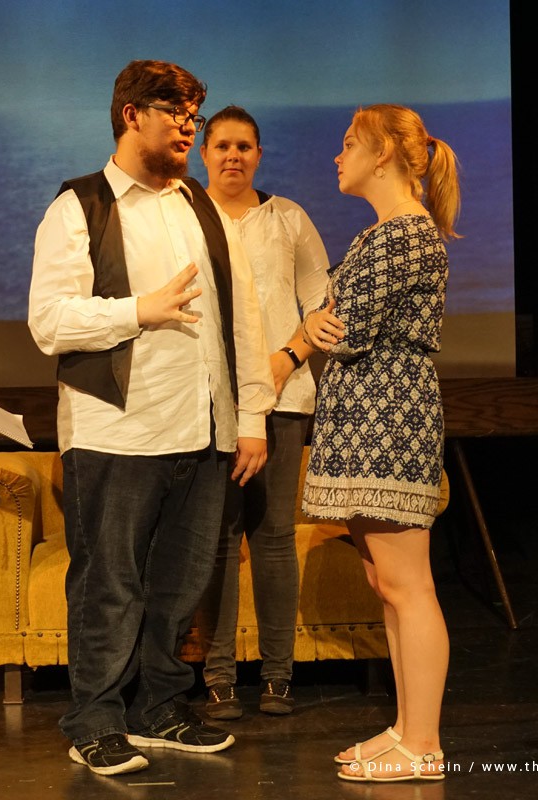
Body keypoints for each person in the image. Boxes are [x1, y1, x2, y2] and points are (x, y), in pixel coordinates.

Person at [28, 60, 276, 776]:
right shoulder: (79, 206)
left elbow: (243, 315)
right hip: (118, 429)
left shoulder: (199, 204)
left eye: (194, 114)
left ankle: (159, 706)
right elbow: (48, 321)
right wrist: (141, 310)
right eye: (175, 112)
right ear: (132, 114)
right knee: (109, 583)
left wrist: (251, 416)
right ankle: (95, 718)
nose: (189, 127)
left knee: (181, 581)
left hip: (203, 426)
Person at [299, 103, 460, 783]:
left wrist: (319, 321)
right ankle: (405, 728)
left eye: (348, 144)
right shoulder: (381, 233)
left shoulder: (404, 234)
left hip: (389, 421)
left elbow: (349, 328)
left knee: (407, 583)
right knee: (385, 581)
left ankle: (424, 743)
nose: (338, 156)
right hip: (369, 418)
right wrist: (318, 319)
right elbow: (331, 319)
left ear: (384, 154)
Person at [193, 105, 330, 720]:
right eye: (222, 145)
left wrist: (286, 357)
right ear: (203, 153)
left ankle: (278, 677)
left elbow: (324, 305)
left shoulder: (288, 219)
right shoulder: (185, 215)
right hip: (209, 405)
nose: (233, 155)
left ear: (258, 155)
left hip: (283, 400)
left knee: (273, 539)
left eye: (244, 146)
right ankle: (219, 677)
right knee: (220, 541)